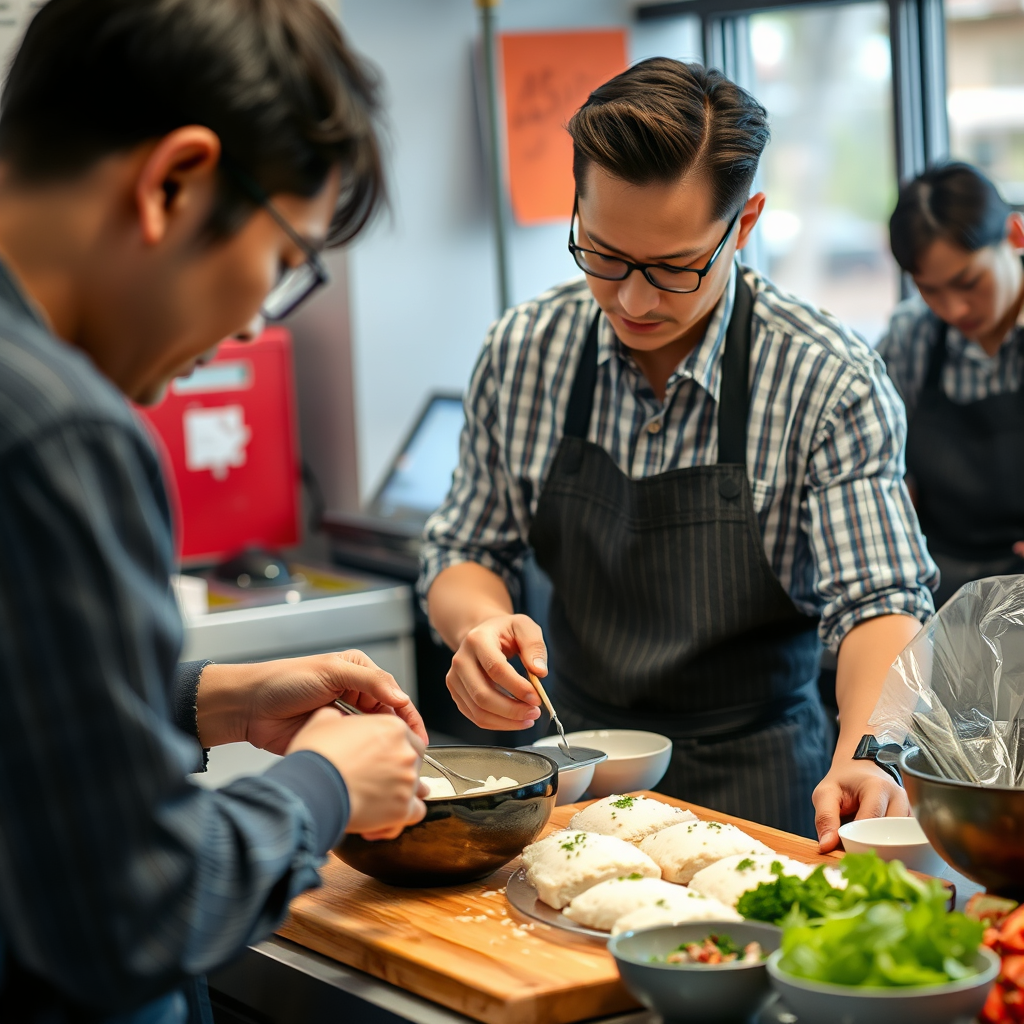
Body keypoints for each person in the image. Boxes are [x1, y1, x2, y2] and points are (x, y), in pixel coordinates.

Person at [0, 1, 429, 1021]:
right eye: (285, 263)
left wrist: (208, 697)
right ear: (174, 183)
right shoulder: (60, 432)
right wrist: (325, 784)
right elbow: (133, 911)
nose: (246, 330)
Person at [420, 59, 937, 848]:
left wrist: (869, 753)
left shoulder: (826, 377)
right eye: (603, 254)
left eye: (674, 268)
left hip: (763, 780)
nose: (633, 299)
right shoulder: (526, 349)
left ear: (745, 222)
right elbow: (464, 548)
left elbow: (881, 600)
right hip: (577, 773)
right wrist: (480, 630)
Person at [879, 162, 1024, 607]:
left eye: (968, 282)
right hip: (946, 591)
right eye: (930, 290)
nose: (954, 309)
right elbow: (883, 468)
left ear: (1015, 235)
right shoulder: (911, 338)